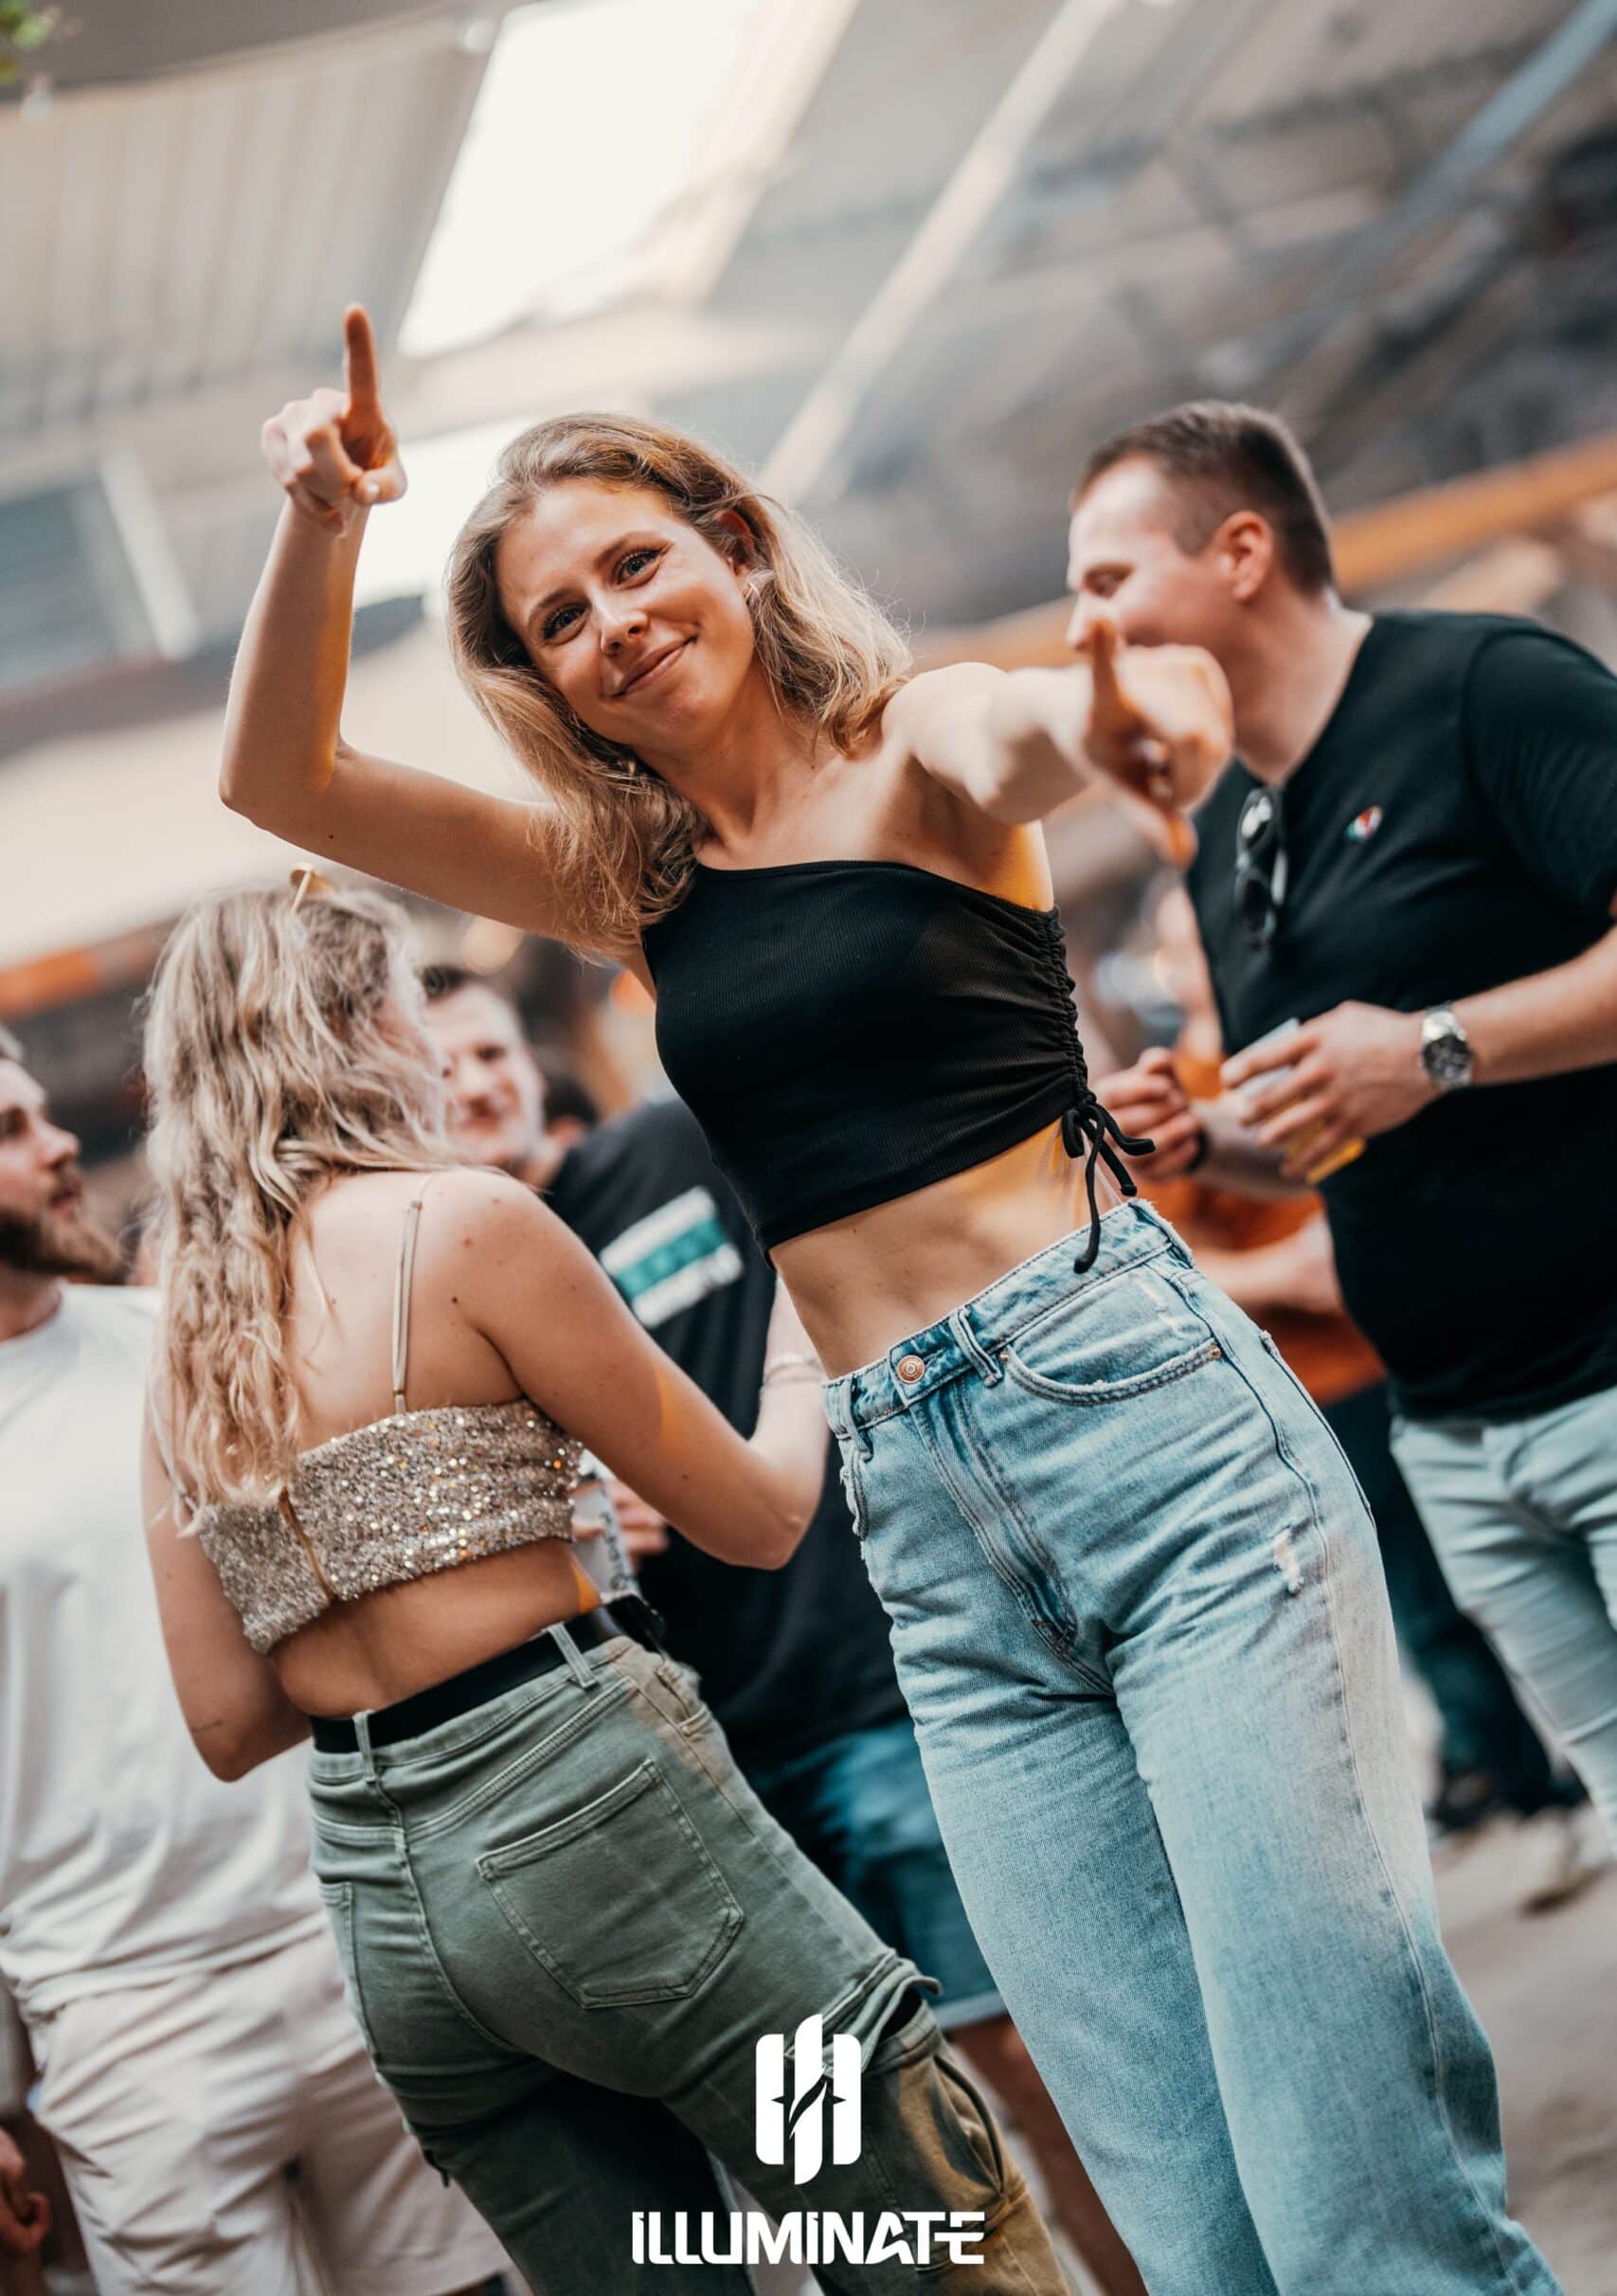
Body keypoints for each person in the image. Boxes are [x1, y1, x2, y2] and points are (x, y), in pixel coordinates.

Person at [216, 308, 1560, 2295]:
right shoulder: (630, 888)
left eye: (636, 563)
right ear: (547, 682)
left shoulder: (918, 745)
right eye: (560, 618)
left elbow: (1057, 720)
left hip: (1146, 1427)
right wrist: (324, 523)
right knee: (1179, 2200)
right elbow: (282, 773)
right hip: (919, 1526)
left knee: (1340, 2137)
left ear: (737, 543)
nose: (612, 623)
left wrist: (1135, 716)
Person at [140, 881, 1067, 2296]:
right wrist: (801, 1334)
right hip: (603, 1841)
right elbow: (758, 1516)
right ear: (362, 1029)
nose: (434, 1043)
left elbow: (226, 1722)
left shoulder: (185, 1337)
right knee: (914, 2219)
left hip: (391, 1915)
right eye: (411, 1005)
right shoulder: (461, 1223)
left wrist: (410, 1550)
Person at [422, 966, 1148, 2296]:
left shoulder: (667, 1149)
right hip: (694, 1775)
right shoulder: (439, 1295)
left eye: (488, 1052)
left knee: (1029, 2065)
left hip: (859, 1684)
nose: (474, 1085)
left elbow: (830, 1246)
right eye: (440, 1065)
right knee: (832, 2155)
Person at [1069, 402, 1617, 1857]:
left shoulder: (1484, 688)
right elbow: (1337, 1131)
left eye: (1107, 580)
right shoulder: (1224, 834)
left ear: (1239, 551)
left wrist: (1434, 1046)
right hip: (1458, 1441)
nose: (1081, 630)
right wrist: (1204, 1145)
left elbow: (1412, 1063)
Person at [0, 1023, 508, 2296]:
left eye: (40, 1115)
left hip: (355, 1933)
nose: (60, 1145)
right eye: (10, 1132)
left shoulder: (177, 1340)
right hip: (122, 2021)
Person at [1143, 886, 1594, 1898]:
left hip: (1429, 1347)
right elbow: (1171, 1251)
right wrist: (1286, 1266)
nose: (1205, 956)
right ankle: (1535, 1796)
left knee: (1501, 1584)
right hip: (1333, 1385)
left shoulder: (1303, 1021)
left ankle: (1548, 1783)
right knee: (1433, 1608)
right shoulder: (1187, 1083)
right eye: (1186, 945)